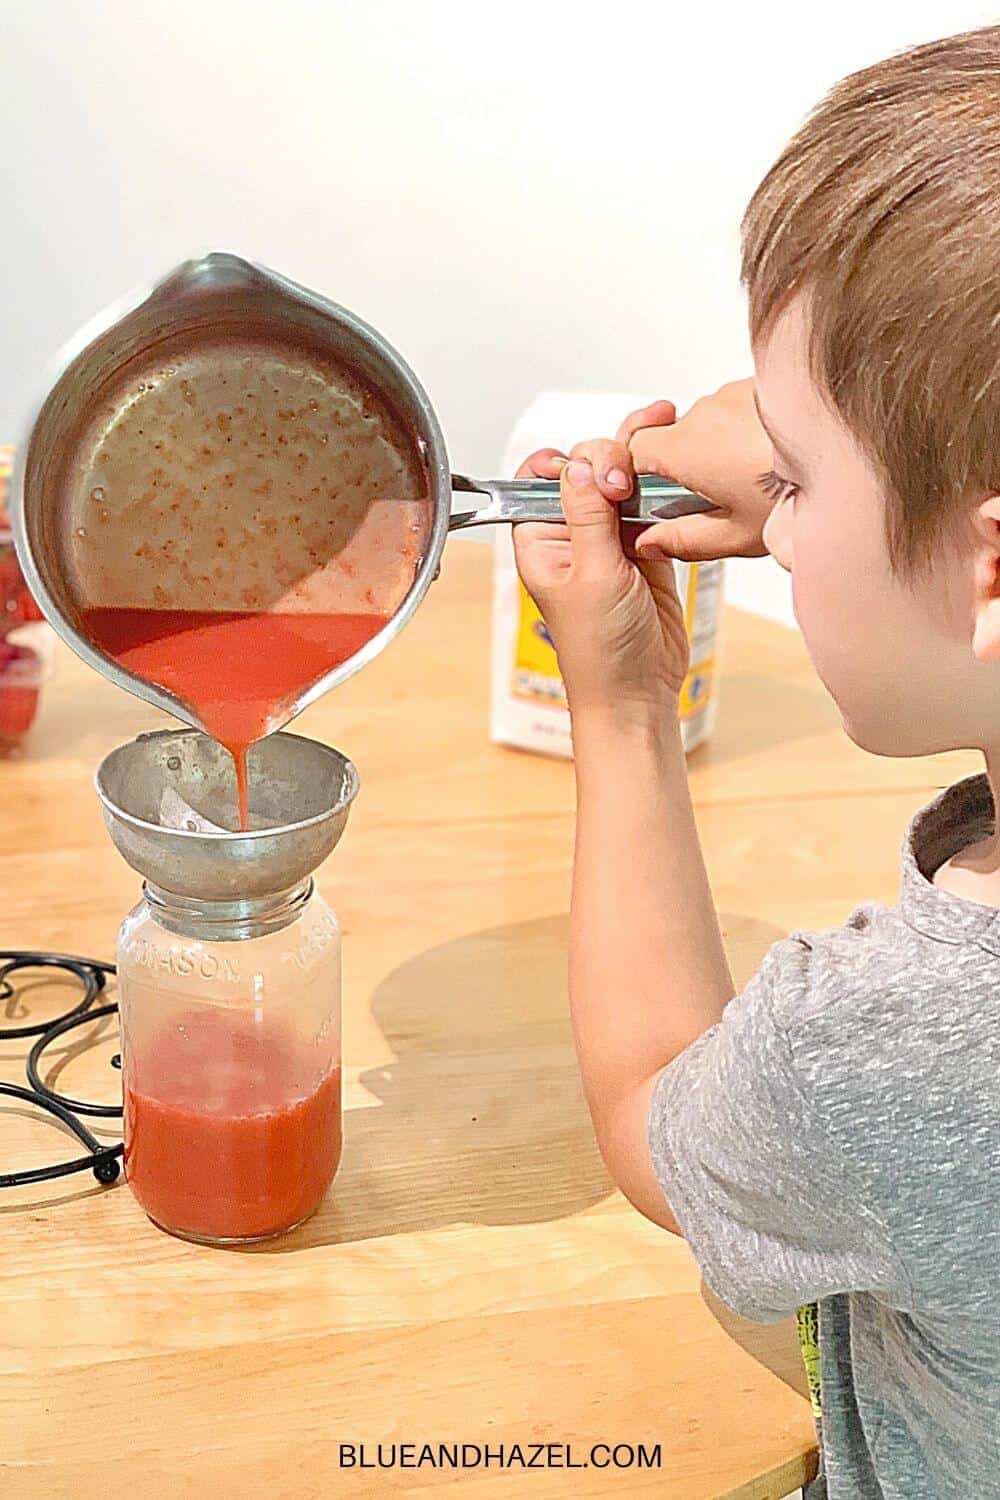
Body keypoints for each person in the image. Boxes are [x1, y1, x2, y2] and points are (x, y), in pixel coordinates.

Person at [513, 26, 1000, 1500]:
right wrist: (821, 437)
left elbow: (656, 1104)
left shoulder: (875, 1051)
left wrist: (619, 706)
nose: (771, 525)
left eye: (789, 482)